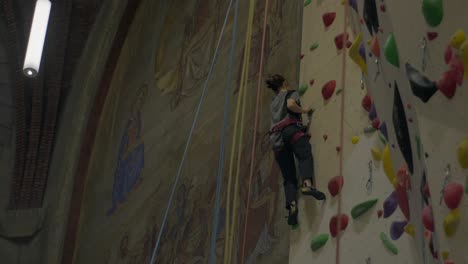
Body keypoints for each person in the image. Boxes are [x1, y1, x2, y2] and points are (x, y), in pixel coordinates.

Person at [266, 74, 326, 226]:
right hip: (290, 131)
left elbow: (278, 121)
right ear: (285, 83)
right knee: (304, 155)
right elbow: (291, 105)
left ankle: (292, 207)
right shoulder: (290, 93)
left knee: (289, 177)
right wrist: (305, 111)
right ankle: (307, 185)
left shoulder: (273, 103)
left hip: (276, 140)